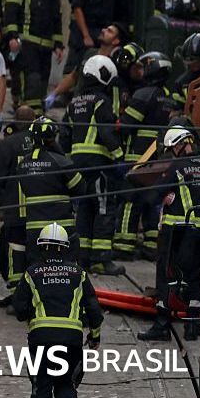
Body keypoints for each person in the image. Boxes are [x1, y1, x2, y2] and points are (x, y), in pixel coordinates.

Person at [13, 223, 103, 398]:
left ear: (41, 247)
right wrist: (94, 336)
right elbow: (95, 311)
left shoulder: (32, 273)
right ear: (65, 247)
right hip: (70, 342)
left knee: (41, 387)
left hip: (40, 341)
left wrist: (30, 315)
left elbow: (18, 307)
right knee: (66, 384)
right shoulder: (79, 274)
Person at [138, 127, 200, 341]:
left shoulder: (178, 167)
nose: (172, 153)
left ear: (181, 145)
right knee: (192, 277)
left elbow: (154, 195)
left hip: (179, 232)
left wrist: (150, 200)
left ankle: (162, 326)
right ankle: (192, 326)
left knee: (167, 276)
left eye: (172, 149)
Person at [64, 55, 123, 274]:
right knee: (104, 207)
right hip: (99, 163)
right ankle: (101, 259)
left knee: (85, 209)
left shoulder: (74, 103)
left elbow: (64, 135)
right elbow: (106, 130)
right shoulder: (101, 101)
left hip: (78, 164)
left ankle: (83, 258)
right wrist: (118, 157)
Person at [119, 51, 175, 260]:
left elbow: (127, 125)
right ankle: (151, 244)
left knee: (129, 200)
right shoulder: (167, 97)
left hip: (138, 156)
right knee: (153, 200)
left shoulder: (143, 94)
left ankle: (124, 244)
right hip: (159, 159)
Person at [16, 117, 85, 265]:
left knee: (38, 269)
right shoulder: (61, 161)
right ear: (52, 137)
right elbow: (81, 188)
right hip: (62, 227)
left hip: (34, 229)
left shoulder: (22, 165)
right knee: (67, 268)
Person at [3, 0, 64, 112]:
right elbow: (10, 13)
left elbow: (56, 16)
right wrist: (12, 37)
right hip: (26, 45)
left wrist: (58, 43)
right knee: (31, 84)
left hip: (46, 47)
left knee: (43, 85)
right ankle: (26, 120)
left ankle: (37, 118)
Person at [0, 105, 37, 305]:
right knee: (36, 252)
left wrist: (4, 200)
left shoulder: (7, 144)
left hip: (15, 211)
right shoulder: (43, 142)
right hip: (39, 211)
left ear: (15, 122)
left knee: (13, 252)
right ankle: (33, 294)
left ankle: (18, 296)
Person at [47, 22, 128, 113]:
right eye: (105, 28)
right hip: (77, 106)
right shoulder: (89, 53)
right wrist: (54, 94)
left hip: (97, 111)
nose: (103, 30)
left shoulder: (115, 63)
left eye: (109, 31)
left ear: (115, 41)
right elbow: (74, 76)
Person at [172, 33, 200, 110]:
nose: (192, 64)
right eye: (189, 61)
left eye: (196, 61)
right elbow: (176, 110)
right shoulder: (181, 82)